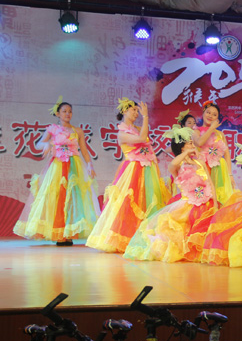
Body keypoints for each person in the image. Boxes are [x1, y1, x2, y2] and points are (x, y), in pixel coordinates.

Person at [86, 98, 171, 253]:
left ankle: (146, 238)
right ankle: (126, 238)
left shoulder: (138, 128)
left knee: (148, 201)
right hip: (133, 170)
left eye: (138, 111)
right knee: (129, 202)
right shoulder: (122, 133)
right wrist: (146, 116)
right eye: (134, 110)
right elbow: (141, 139)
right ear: (124, 111)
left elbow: (146, 140)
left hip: (147, 169)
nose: (136, 113)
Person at [124, 125, 217, 262]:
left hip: (205, 203)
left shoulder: (200, 162)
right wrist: (185, 153)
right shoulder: (178, 165)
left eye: (192, 143)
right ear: (181, 147)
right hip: (187, 204)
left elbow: (210, 183)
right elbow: (172, 165)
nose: (193, 146)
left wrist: (215, 203)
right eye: (189, 143)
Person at [14, 97, 99, 245]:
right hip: (58, 165)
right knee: (57, 197)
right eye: (64, 111)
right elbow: (39, 144)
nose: (67, 114)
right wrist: (47, 144)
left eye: (70, 111)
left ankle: (68, 233)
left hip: (74, 166)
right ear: (58, 114)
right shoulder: (52, 129)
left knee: (72, 198)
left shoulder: (77, 131)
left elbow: (84, 150)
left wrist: (90, 165)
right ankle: (58, 233)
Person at [190, 101, 236, 205]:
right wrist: (211, 128)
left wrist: (230, 174)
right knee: (205, 197)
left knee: (220, 197)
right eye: (208, 112)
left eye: (214, 115)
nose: (210, 116)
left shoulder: (220, 134)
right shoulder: (196, 131)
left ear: (217, 118)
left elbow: (226, 155)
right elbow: (199, 142)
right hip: (203, 168)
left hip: (219, 169)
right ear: (203, 113)